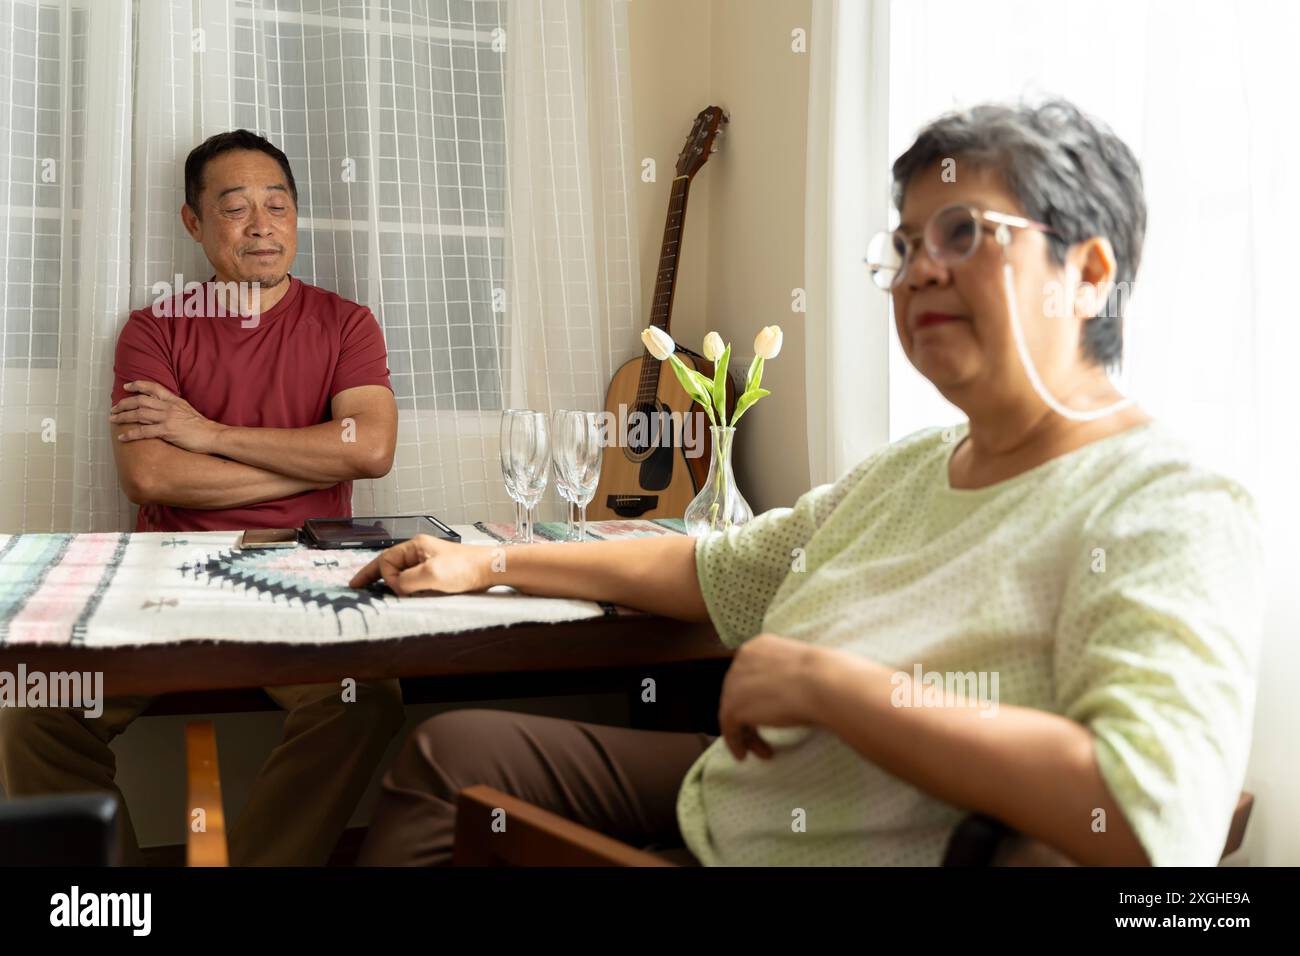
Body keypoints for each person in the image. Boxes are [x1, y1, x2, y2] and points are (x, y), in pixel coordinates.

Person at [350, 100, 1265, 867]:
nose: (919, 272)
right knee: (452, 748)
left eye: (963, 233)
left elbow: (1148, 821)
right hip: (739, 796)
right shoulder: (913, 466)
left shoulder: (1168, 503)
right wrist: (493, 562)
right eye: (903, 246)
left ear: (1089, 274)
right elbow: (714, 568)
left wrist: (833, 688)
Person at [0, 130, 406, 866]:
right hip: (167, 577)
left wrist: (205, 431)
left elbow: (371, 447)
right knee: (33, 710)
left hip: (302, 575)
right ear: (194, 222)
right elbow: (152, 478)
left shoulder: (346, 323)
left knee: (364, 699)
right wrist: (314, 459)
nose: (262, 226)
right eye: (236, 208)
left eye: (277, 206)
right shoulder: (154, 329)